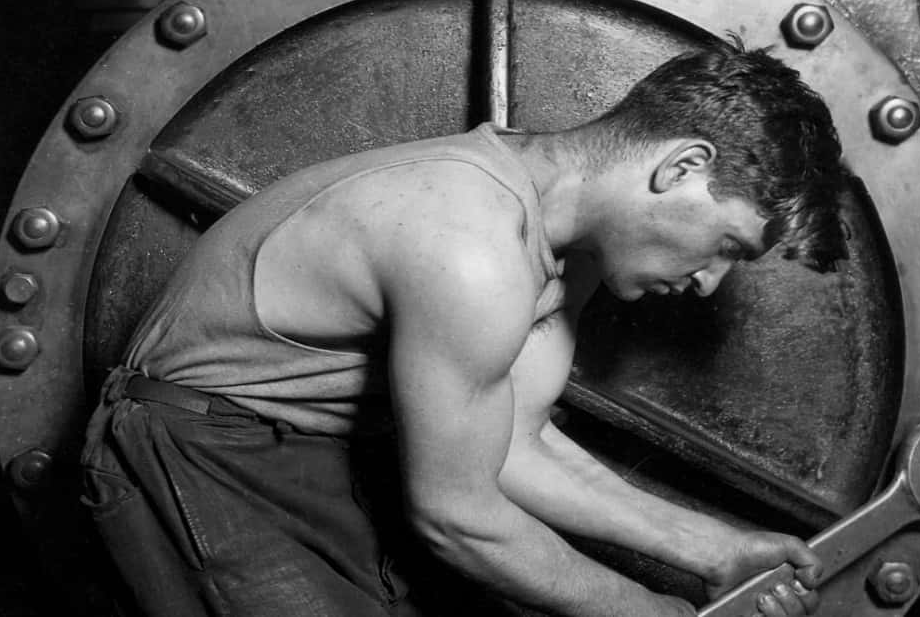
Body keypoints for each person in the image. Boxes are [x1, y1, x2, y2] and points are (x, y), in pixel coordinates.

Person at [81, 39, 848, 617]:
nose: (709, 282)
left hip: (312, 454)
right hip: (197, 448)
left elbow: (512, 444)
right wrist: (656, 612)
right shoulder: (470, 245)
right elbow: (457, 516)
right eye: (727, 246)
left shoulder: (560, 244)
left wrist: (716, 551)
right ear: (681, 167)